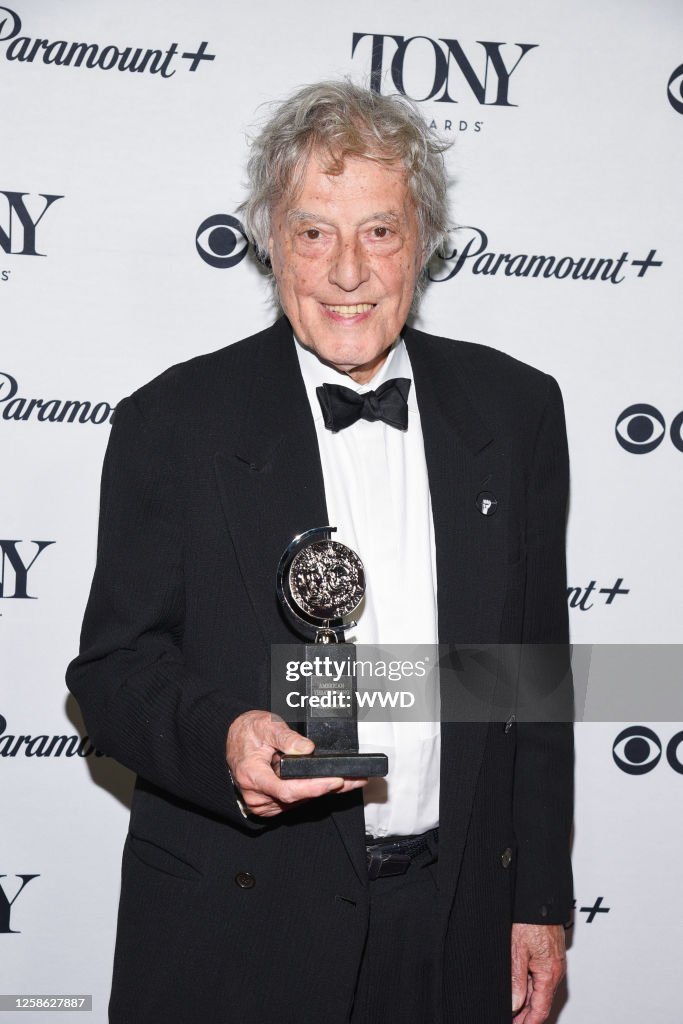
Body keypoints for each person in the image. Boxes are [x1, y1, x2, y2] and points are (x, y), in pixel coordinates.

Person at [67, 80, 573, 1024]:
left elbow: (529, 680)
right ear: (268, 239)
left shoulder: (516, 412)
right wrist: (223, 737)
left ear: (423, 240)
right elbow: (111, 670)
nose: (347, 270)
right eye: (312, 233)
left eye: (378, 231)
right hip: (240, 921)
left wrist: (538, 903)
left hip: (455, 916)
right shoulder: (172, 422)